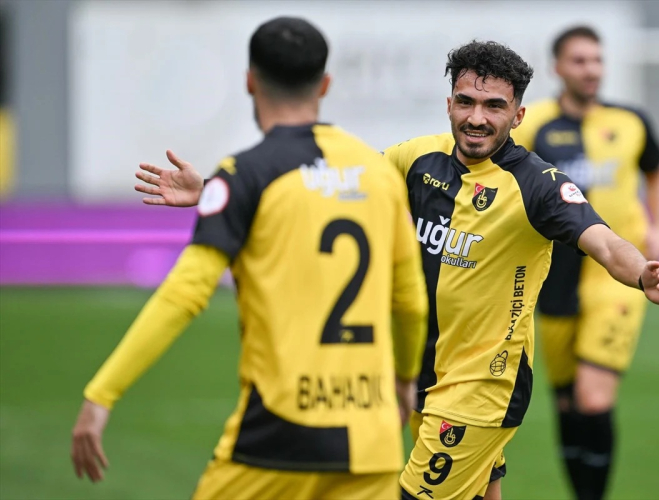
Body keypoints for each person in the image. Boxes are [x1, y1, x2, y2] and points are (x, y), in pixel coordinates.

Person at [135, 40, 659, 500]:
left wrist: (642, 274)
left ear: (518, 116)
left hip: (482, 389)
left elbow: (605, 242)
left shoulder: (537, 185)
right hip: (422, 378)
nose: (476, 118)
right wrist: (214, 191)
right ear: (449, 103)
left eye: (494, 106)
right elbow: (327, 187)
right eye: (466, 102)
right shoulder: (417, 159)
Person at [70, 16, 429, 500]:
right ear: (325, 84)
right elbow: (410, 303)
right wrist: (404, 381)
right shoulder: (378, 175)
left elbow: (184, 294)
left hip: (277, 437)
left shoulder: (245, 174)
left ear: (249, 81)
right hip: (372, 440)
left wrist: (102, 394)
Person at [511, 26, 659, 500]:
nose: (591, 70)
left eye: (597, 60)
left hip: (618, 277)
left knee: (592, 396)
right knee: (566, 403)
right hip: (554, 278)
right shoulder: (535, 124)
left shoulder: (630, 121)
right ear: (558, 68)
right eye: (579, 60)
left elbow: (658, 170)